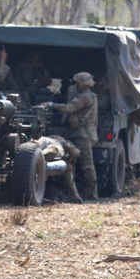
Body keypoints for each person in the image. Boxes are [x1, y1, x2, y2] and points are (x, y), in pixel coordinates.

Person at [45, 71, 98, 201]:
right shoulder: (91, 96)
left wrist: (51, 105)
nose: (76, 86)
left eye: (77, 83)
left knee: (86, 165)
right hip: (82, 133)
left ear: (83, 85)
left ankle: (91, 193)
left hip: (83, 135)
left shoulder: (85, 97)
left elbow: (69, 108)